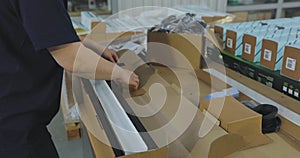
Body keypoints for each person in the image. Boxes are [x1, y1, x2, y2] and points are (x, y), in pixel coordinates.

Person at [0, 0, 139, 157]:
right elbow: (70, 56)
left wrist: (94, 47)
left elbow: (48, 29)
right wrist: (120, 73)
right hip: (13, 121)